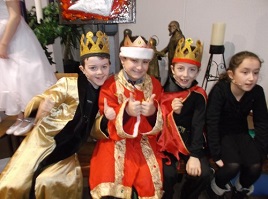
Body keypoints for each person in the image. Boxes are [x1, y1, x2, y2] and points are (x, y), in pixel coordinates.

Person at [0, 30, 111, 199]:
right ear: (82, 68)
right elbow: (46, 98)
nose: (99, 72)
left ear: (110, 65)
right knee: (14, 184)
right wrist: (44, 103)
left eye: (104, 67)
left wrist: (105, 119)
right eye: (93, 68)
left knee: (49, 181)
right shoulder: (68, 84)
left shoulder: (106, 94)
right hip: (43, 140)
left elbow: (95, 131)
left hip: (67, 150)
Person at [89, 34, 164, 199]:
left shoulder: (155, 85)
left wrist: (152, 113)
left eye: (144, 62)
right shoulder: (110, 85)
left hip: (145, 142)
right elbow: (106, 123)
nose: (139, 67)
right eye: (134, 61)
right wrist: (126, 113)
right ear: (123, 60)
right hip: (114, 142)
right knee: (109, 181)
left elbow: (161, 123)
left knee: (148, 181)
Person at [206, 51, 268, 199]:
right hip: (222, 134)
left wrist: (261, 150)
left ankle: (241, 188)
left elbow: (262, 122)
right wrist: (215, 153)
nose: (251, 78)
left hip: (241, 133)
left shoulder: (257, 92)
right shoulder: (220, 90)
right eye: (245, 72)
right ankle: (215, 187)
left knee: (255, 167)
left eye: (255, 73)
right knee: (232, 166)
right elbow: (212, 122)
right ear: (231, 74)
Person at [158, 37, 212, 199]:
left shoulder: (198, 95)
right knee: (167, 175)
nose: (185, 75)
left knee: (204, 174)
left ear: (198, 71)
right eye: (180, 69)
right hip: (166, 144)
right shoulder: (163, 93)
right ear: (173, 69)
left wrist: (195, 155)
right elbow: (158, 124)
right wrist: (172, 113)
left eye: (192, 70)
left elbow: (198, 125)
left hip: (191, 143)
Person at [0, 0, 57, 135]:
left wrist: (4, 43)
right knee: (8, 78)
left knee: (23, 75)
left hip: (13, 36)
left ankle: (30, 115)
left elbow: (14, 16)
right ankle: (20, 116)